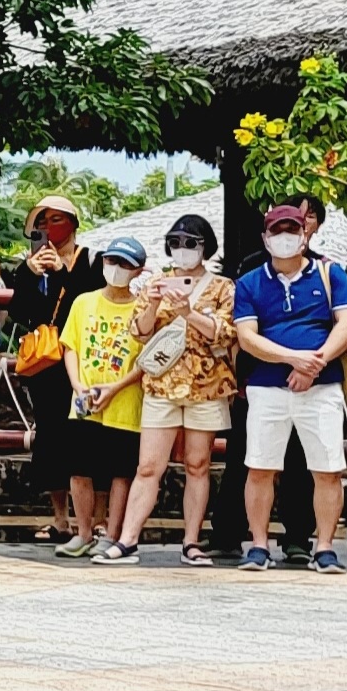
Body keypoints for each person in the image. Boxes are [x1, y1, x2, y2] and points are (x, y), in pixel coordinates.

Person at [230, 204, 347, 572]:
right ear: (265, 238)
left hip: (322, 388)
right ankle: (258, 545)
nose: (284, 237)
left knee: (327, 469)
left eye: (292, 230)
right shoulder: (250, 282)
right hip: (267, 387)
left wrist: (313, 364)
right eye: (276, 231)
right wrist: (293, 359)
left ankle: (324, 547)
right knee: (259, 466)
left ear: (305, 235)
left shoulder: (330, 274)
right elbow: (248, 339)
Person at [108, 212, 233, 566]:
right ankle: (128, 538)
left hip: (206, 385)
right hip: (162, 384)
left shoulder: (222, 287)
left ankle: (192, 541)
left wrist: (188, 311)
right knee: (148, 465)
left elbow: (225, 332)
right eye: (176, 243)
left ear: (204, 246)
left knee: (198, 464)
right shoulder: (158, 284)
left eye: (190, 243)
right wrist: (152, 302)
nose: (182, 250)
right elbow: (139, 332)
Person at [2, 194, 94, 547]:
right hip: (46, 364)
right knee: (51, 438)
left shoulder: (91, 262)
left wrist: (61, 275)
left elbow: (86, 303)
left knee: (86, 439)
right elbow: (20, 312)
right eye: (42, 224)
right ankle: (60, 517)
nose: (48, 230)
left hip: (83, 361)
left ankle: (93, 519)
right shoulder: (29, 266)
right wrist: (29, 273)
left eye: (56, 220)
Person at [59, 238, 147, 560]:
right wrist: (78, 385)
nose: (116, 270)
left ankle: (112, 534)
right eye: (112, 261)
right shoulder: (84, 302)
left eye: (125, 264)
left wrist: (116, 388)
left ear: (137, 270)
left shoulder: (142, 309)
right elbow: (71, 346)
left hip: (124, 402)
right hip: (84, 400)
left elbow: (145, 360)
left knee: (120, 472)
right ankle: (83, 532)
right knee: (79, 469)